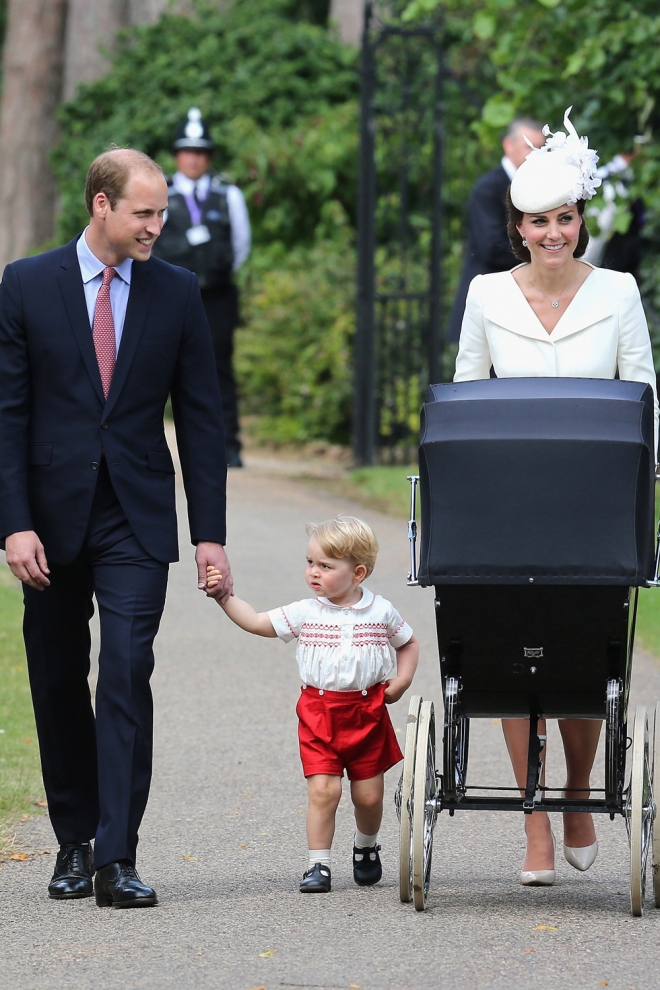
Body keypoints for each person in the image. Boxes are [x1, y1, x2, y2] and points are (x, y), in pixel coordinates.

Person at [0, 148, 234, 907]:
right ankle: (72, 839)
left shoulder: (176, 291)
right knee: (60, 676)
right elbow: (7, 416)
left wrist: (209, 533)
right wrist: (13, 525)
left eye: (162, 212)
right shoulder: (27, 284)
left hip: (135, 516)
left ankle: (115, 855)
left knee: (128, 670)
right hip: (50, 521)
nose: (157, 226)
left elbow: (201, 417)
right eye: (144, 212)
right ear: (101, 206)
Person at [454, 107, 658, 886]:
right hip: (505, 506)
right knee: (509, 660)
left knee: (583, 657)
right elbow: (467, 396)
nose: (553, 234)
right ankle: (534, 818)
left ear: (580, 219)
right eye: (537, 221)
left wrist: (644, 486)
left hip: (594, 505)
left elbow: (642, 397)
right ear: (518, 225)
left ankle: (576, 792)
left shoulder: (619, 290)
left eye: (565, 219)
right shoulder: (486, 295)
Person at [206, 515, 419, 893]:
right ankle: (317, 865)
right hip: (319, 713)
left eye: (325, 566)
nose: (313, 573)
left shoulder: (380, 611)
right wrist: (225, 596)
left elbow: (408, 643)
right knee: (324, 791)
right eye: (310, 563)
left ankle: (366, 846)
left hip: (367, 712)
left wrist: (401, 681)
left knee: (369, 796)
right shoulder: (306, 612)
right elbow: (256, 622)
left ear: (358, 572)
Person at [152, 108, 251, 467]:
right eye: (187, 151)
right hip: (167, 296)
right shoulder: (161, 193)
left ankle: (228, 447)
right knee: (157, 369)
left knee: (218, 370)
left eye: (200, 151)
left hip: (216, 297)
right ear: (177, 155)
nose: (193, 158)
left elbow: (241, 246)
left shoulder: (229, 195)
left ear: (208, 156)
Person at [447, 117, 545, 343]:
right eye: (528, 147)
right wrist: (543, 254)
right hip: (489, 306)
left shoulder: (540, 187)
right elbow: (492, 248)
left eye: (540, 149)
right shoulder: (488, 189)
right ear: (508, 145)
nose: (535, 155)